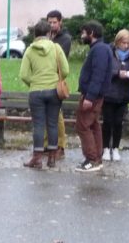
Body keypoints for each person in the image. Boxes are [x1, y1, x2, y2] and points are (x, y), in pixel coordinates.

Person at [19, 20, 68, 169]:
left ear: (35, 34)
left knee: (39, 125)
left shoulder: (29, 50)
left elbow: (23, 74)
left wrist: (33, 83)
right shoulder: (56, 48)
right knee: (52, 123)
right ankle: (52, 158)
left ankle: (37, 158)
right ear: (49, 33)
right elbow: (65, 70)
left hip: (36, 92)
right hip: (54, 91)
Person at [73, 21, 112, 172]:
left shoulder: (100, 50)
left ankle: (92, 159)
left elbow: (98, 75)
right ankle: (97, 157)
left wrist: (90, 97)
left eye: (84, 33)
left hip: (93, 95)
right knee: (93, 125)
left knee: (83, 125)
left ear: (91, 33)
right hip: (93, 94)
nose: (82, 36)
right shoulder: (99, 48)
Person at [102, 30, 129, 162]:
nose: (126, 45)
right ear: (117, 42)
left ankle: (116, 148)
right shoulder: (109, 53)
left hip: (123, 94)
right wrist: (118, 73)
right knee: (107, 122)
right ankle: (105, 148)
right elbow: (105, 71)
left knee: (118, 122)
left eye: (128, 43)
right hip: (109, 93)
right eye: (124, 43)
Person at [47, 9, 72, 158]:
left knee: (57, 115)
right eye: (49, 22)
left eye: (54, 22)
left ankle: (60, 146)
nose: (51, 25)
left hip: (57, 78)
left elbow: (60, 57)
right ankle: (46, 144)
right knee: (45, 114)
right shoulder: (47, 36)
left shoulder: (65, 38)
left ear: (60, 22)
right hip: (45, 78)